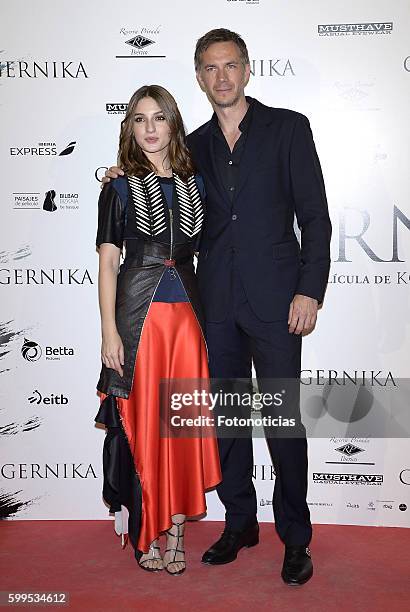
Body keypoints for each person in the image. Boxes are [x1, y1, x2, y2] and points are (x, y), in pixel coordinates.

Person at [103, 28, 332, 585]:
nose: (221, 77)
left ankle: (295, 538)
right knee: (228, 423)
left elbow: (317, 216)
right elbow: (154, 188)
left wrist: (310, 289)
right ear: (200, 77)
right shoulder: (195, 146)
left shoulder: (289, 128)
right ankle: (240, 522)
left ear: (248, 69)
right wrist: (117, 176)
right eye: (210, 68)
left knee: (282, 423)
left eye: (230, 66)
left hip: (281, 303)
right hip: (217, 307)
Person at [95, 84, 221, 575]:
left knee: (182, 429)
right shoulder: (119, 188)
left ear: (173, 124)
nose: (150, 128)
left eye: (159, 118)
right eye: (139, 119)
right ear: (130, 127)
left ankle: (179, 530)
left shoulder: (198, 183)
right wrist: (109, 331)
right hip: (137, 321)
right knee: (145, 426)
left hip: (188, 324)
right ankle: (150, 528)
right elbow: (108, 263)